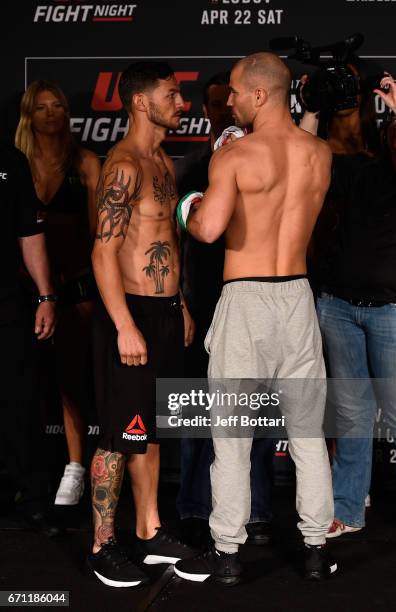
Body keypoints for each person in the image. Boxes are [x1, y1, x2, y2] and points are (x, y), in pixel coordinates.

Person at [174, 52, 335, 585]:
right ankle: (315, 548)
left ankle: (227, 554)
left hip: (246, 299)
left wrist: (187, 206)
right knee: (309, 435)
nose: (230, 102)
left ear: (261, 94)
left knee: (232, 438)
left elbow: (208, 230)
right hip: (298, 295)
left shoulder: (236, 156)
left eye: (237, 93)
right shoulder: (319, 153)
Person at [88, 61, 196, 588]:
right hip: (126, 313)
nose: (182, 103)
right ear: (139, 102)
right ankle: (101, 545)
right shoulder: (125, 164)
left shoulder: (164, 163)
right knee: (117, 435)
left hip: (163, 311)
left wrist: (181, 305)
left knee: (151, 430)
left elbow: (168, 243)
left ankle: (150, 531)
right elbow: (103, 251)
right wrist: (124, 324)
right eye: (172, 95)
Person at [303, 73, 396, 538]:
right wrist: (311, 109)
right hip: (339, 308)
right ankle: (348, 507)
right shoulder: (357, 169)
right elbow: (302, 157)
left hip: (394, 313)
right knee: (351, 415)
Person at [176, 71, 274, 546]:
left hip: (255, 297)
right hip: (203, 298)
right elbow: (173, 242)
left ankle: (255, 512)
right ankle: (195, 508)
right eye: (215, 103)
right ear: (207, 109)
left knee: (255, 413)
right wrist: (180, 300)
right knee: (200, 411)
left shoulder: (266, 161)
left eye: (228, 100)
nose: (224, 109)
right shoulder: (193, 165)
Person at [15, 80, 101, 506]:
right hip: (22, 287)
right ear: (28, 115)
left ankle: (75, 467)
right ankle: (24, 468)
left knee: (71, 378)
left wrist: (75, 280)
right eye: (43, 107)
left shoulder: (84, 162)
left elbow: (98, 233)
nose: (52, 113)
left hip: (74, 283)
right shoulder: (16, 165)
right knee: (23, 380)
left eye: (59, 106)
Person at [0, 141, 58, 536]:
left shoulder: (8, 159)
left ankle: (32, 499)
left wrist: (46, 295)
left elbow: (29, 233)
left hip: (6, 302)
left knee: (19, 401)